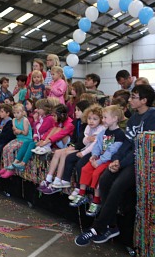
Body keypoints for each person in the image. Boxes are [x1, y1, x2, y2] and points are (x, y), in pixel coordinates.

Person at [74, 85, 155, 246]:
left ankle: (97, 228)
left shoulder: (152, 117)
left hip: (141, 163)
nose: (130, 100)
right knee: (104, 180)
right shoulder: (133, 118)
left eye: (134, 97)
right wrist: (116, 160)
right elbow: (127, 143)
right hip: (126, 159)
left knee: (117, 185)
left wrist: (121, 162)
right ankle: (112, 226)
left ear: (144, 100)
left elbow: (141, 148)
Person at [70, 105, 125, 217]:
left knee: (96, 174)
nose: (103, 120)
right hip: (99, 158)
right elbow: (98, 145)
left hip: (108, 160)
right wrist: (94, 155)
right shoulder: (104, 131)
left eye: (105, 117)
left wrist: (99, 162)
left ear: (114, 118)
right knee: (85, 169)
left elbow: (112, 151)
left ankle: (96, 200)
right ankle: (81, 193)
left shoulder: (120, 134)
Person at [40, 102, 104, 195]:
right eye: (75, 110)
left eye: (78, 110)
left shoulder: (88, 126)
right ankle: (49, 179)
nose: (76, 112)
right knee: (58, 152)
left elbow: (83, 143)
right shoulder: (77, 122)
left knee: (64, 154)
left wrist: (74, 147)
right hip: (78, 146)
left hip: (82, 149)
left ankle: (60, 181)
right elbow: (80, 139)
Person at [0, 103, 33, 180]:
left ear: (22, 112)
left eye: (18, 113)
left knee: (11, 149)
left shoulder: (25, 120)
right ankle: (6, 166)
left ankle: (11, 169)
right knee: (5, 148)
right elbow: (14, 131)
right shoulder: (14, 120)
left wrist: (18, 131)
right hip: (18, 138)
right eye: (14, 113)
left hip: (26, 139)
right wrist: (16, 131)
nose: (16, 115)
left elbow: (25, 133)